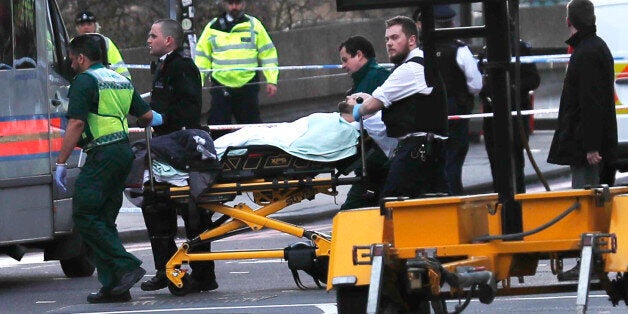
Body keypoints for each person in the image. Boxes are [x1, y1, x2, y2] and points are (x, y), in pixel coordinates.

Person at [54, 34, 154, 303]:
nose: (71, 64)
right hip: (123, 151)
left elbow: (76, 124)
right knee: (104, 219)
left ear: (82, 58)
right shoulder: (120, 79)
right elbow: (146, 116)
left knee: (85, 213)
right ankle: (115, 287)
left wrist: (61, 163)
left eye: (73, 59)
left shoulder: (85, 81)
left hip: (101, 154)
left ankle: (126, 266)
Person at [140, 19, 218, 293]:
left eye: (153, 35)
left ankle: (203, 274)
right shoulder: (163, 66)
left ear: (169, 41)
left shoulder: (181, 67)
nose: (148, 40)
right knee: (155, 206)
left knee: (193, 212)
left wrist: (160, 119)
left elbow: (188, 109)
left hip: (180, 149)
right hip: (166, 146)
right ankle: (167, 268)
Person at [548, 0, 617, 281]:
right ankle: (595, 260)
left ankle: (589, 263)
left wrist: (590, 145)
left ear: (569, 20)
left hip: (585, 144)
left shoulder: (585, 53)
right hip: (594, 141)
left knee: (585, 203)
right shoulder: (595, 47)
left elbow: (589, 102)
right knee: (595, 202)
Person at [349, 16, 449, 199]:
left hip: (416, 151)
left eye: (395, 38)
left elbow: (371, 106)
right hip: (430, 149)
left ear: (412, 40)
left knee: (392, 204)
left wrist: (357, 109)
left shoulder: (409, 69)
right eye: (387, 39)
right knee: (432, 209)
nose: (389, 43)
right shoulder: (423, 63)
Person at [195, 0, 278, 131]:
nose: (234, 7)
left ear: (244, 3)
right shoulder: (212, 28)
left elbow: (268, 54)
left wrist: (272, 80)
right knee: (218, 128)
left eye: (237, 3)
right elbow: (201, 58)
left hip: (248, 85)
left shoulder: (253, 25)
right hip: (221, 86)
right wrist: (197, 83)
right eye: (231, 3)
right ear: (224, 4)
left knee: (252, 130)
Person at [338, 35, 395, 209]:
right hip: (374, 161)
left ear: (360, 55)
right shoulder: (365, 81)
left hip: (377, 162)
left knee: (351, 212)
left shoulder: (376, 79)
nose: (343, 65)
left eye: (345, 59)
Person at [480, 29, 540, 194]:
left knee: (514, 162)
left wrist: (512, 88)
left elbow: (534, 79)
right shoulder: (487, 49)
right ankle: (500, 197)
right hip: (492, 115)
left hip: (515, 114)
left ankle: (517, 199)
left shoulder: (520, 48)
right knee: (495, 161)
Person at [431, 5, 482, 195]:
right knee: (454, 156)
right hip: (456, 109)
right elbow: (476, 84)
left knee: (437, 157)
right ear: (453, 23)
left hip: (431, 110)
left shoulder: (422, 50)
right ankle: (453, 197)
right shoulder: (459, 50)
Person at [75, 10, 131, 80]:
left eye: (89, 24)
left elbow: (120, 69)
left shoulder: (105, 42)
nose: (86, 27)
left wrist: (126, 84)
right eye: (82, 25)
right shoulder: (72, 45)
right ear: (77, 28)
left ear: (95, 26)